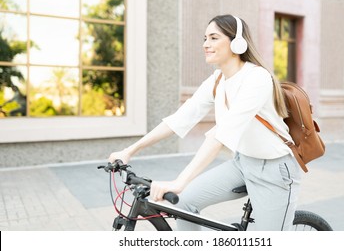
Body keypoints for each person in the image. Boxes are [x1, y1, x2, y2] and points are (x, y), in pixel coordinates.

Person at [108, 14, 301, 231]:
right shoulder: (218, 79)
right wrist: (130, 150)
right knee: (183, 204)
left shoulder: (257, 78)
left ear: (237, 42)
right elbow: (178, 120)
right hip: (242, 163)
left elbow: (222, 133)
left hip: (274, 170)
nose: (205, 44)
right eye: (204, 38)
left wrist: (180, 181)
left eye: (213, 38)